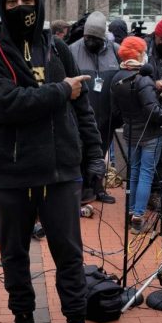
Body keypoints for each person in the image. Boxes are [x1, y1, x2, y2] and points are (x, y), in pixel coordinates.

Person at [0, 0, 104, 323]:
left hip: (60, 172)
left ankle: (76, 322)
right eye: (11, 2)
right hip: (10, 175)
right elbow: (5, 104)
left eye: (26, 0)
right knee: (14, 253)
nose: (20, 7)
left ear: (38, 1)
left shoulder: (58, 49)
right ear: (1, 5)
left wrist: (94, 155)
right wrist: (60, 90)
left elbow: (83, 109)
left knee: (69, 254)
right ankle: (23, 319)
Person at [111, 35, 162, 232]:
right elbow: (153, 111)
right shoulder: (143, 80)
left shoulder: (117, 78)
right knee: (145, 173)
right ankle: (138, 216)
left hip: (131, 132)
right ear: (139, 54)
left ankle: (132, 210)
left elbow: (116, 110)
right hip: (150, 134)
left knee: (134, 172)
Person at [69, 11, 119, 205]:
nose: (90, 41)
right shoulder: (72, 50)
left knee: (101, 153)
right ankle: (82, 189)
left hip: (107, 115)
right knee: (81, 153)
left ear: (103, 37)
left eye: (94, 38)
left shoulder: (115, 50)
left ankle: (98, 188)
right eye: (87, 37)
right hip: (81, 116)